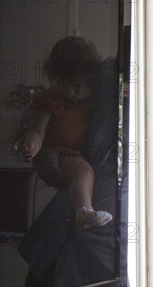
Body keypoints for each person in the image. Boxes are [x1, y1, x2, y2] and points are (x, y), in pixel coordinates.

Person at [21, 36, 112, 230]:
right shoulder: (48, 100)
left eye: (86, 86)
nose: (79, 92)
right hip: (52, 152)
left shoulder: (88, 100)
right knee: (84, 171)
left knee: (83, 172)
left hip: (71, 153)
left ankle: (79, 210)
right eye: (73, 85)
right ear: (54, 75)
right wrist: (32, 145)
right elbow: (37, 129)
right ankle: (84, 212)